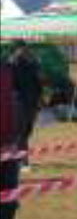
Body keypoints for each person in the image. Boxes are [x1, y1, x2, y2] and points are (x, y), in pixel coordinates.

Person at [7, 40, 43, 172]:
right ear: (15, 49)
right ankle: (23, 163)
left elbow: (38, 83)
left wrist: (39, 100)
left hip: (31, 103)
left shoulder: (31, 64)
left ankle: (19, 160)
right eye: (22, 48)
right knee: (20, 134)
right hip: (18, 104)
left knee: (27, 133)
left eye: (25, 48)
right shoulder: (9, 65)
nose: (25, 50)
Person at [0, 60, 22, 219]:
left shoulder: (7, 69)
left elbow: (14, 102)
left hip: (8, 144)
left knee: (9, 201)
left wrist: (13, 139)